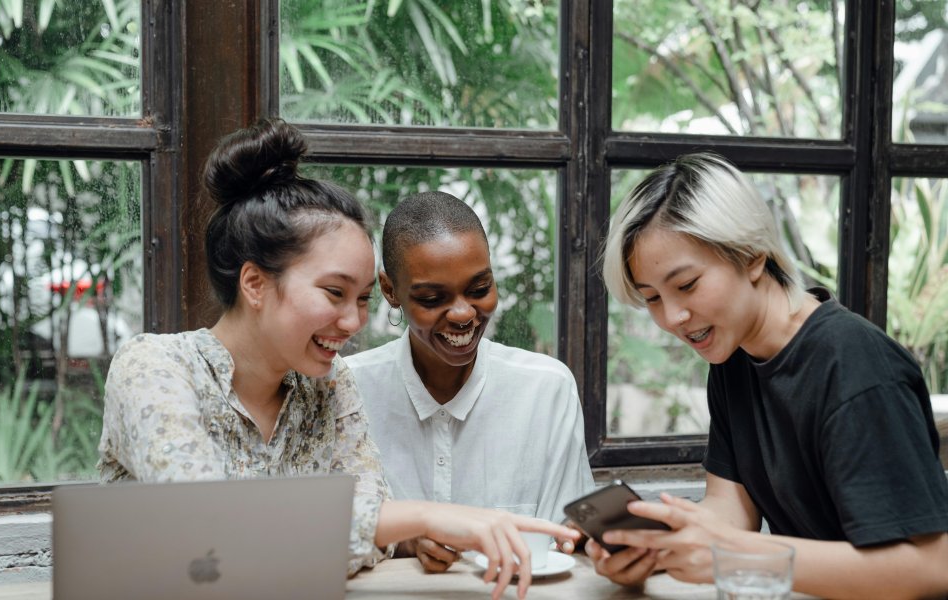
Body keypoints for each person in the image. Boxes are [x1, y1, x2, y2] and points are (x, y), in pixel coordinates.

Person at [97, 118, 577, 600]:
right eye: (334, 293)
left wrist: (374, 531)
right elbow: (207, 536)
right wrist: (425, 515)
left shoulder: (329, 384)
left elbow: (372, 540)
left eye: (364, 298)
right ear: (255, 283)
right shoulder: (154, 367)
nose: (353, 323)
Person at [595, 152, 948, 599]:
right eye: (651, 298)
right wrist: (655, 549)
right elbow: (732, 509)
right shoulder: (733, 356)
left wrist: (733, 552)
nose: (675, 317)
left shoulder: (856, 366)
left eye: (686, 285)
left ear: (752, 256)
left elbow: (932, 567)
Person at [345, 191, 595, 573]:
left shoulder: (546, 390)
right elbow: (319, 535)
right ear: (390, 290)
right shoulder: (348, 391)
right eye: (432, 298)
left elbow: (567, 539)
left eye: (479, 290)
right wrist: (406, 538)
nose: (463, 314)